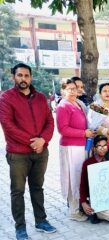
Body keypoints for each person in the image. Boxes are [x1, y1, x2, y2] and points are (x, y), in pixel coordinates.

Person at [0, 63, 57, 239]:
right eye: (20, 75)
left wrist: (43, 140)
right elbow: (8, 126)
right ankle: (20, 227)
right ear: (13, 77)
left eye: (26, 75)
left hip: (41, 152)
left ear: (31, 78)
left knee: (37, 188)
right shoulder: (6, 98)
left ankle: (41, 221)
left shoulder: (40, 98)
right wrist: (32, 142)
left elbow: (50, 121)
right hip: (18, 153)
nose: (23, 79)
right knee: (18, 191)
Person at [56, 79, 95, 222]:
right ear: (62, 91)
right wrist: (83, 133)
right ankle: (73, 211)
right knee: (72, 177)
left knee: (79, 177)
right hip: (70, 147)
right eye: (69, 89)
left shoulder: (78, 103)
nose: (73, 91)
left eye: (74, 88)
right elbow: (63, 129)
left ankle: (80, 206)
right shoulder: (63, 106)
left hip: (82, 146)